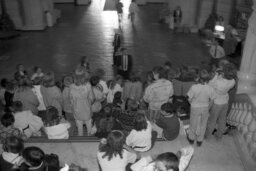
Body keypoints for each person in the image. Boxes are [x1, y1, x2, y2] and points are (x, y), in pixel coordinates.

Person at [205, 63, 236, 140]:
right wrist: (221, 75)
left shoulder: (218, 82)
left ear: (223, 73)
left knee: (212, 120)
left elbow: (209, 84)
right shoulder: (233, 81)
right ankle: (219, 136)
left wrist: (216, 75)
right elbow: (224, 80)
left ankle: (208, 136)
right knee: (222, 120)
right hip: (225, 102)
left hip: (216, 103)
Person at [186, 70, 215, 146]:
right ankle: (200, 140)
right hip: (205, 107)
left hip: (195, 107)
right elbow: (212, 100)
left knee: (193, 123)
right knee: (203, 124)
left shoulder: (194, 87)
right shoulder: (210, 88)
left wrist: (191, 103)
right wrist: (208, 107)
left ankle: (191, 138)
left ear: (198, 77)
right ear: (208, 79)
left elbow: (188, 98)